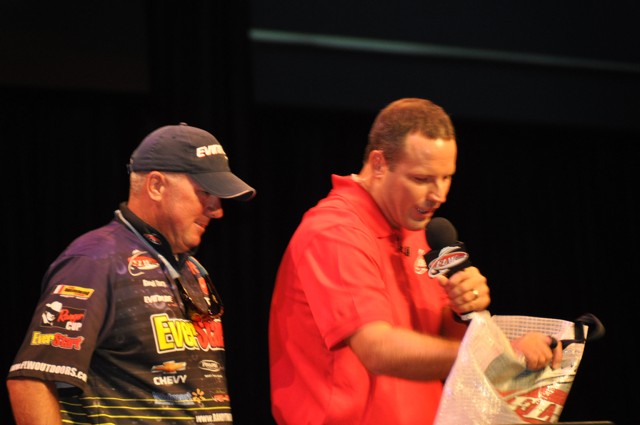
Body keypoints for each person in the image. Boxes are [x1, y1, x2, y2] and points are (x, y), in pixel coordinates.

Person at [268, 98, 562, 424]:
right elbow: (377, 349)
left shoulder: (420, 231)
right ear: (379, 164)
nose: (439, 195)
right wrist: (499, 354)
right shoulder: (335, 231)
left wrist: (463, 312)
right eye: (422, 179)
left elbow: (443, 345)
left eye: (446, 177)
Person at [7, 123, 255, 424]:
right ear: (156, 186)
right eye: (206, 192)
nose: (217, 210)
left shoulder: (190, 268)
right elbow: (31, 381)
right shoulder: (95, 261)